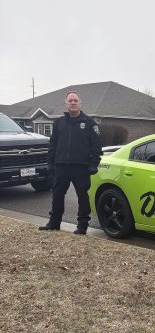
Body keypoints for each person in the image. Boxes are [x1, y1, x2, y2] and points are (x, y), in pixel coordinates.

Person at [39, 91, 102, 235]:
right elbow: (53, 144)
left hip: (81, 167)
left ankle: (82, 226)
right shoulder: (59, 123)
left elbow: (96, 146)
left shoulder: (89, 123)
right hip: (61, 165)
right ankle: (54, 223)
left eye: (75, 100)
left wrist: (94, 164)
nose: (73, 103)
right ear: (66, 104)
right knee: (57, 194)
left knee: (82, 196)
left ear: (80, 103)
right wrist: (50, 163)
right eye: (70, 100)